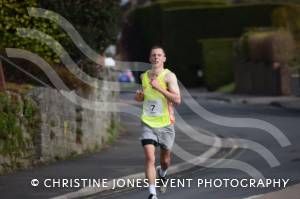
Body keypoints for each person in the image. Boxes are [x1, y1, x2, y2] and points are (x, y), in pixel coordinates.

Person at [135, 46, 181, 199]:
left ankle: (163, 173)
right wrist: (140, 97)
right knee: (150, 157)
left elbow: (177, 100)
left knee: (165, 160)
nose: (156, 57)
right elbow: (145, 98)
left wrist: (159, 88)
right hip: (148, 122)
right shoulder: (144, 76)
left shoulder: (170, 77)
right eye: (153, 55)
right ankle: (152, 194)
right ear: (150, 58)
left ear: (164, 58)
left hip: (166, 124)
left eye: (159, 55)